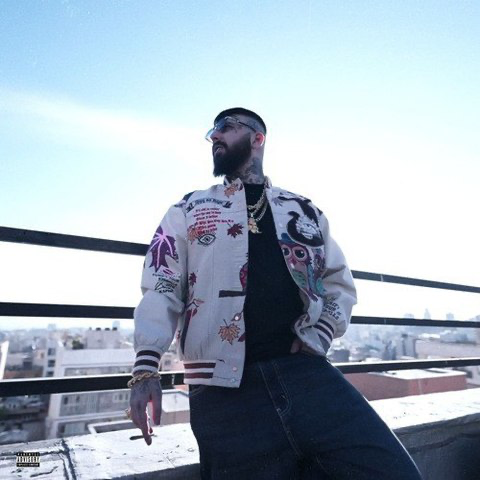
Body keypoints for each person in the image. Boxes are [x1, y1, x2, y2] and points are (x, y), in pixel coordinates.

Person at [127, 108, 423, 479]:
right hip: (222, 391)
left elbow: (338, 281)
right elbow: (162, 284)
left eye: (226, 127)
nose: (214, 136)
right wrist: (146, 369)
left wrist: (321, 333)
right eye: (212, 131)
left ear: (257, 138)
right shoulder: (188, 209)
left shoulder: (304, 210)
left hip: (308, 374)